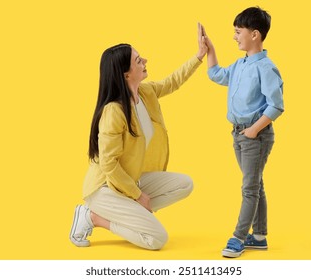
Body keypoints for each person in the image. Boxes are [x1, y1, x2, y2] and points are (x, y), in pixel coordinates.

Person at [69, 24, 208, 250]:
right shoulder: (113, 111)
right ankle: (94, 217)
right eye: (138, 60)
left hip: (129, 179)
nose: (145, 60)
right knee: (156, 239)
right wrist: (137, 195)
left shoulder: (144, 93)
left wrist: (199, 56)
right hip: (105, 189)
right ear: (126, 74)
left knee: (185, 184)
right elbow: (109, 164)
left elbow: (173, 81)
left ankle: (132, 215)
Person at [201, 7, 284, 257]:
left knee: (249, 188)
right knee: (255, 185)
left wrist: (253, 131)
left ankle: (238, 237)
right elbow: (216, 74)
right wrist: (210, 49)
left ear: (255, 35)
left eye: (238, 32)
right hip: (238, 134)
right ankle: (258, 237)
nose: (235, 37)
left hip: (255, 137)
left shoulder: (266, 68)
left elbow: (276, 105)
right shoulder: (240, 65)